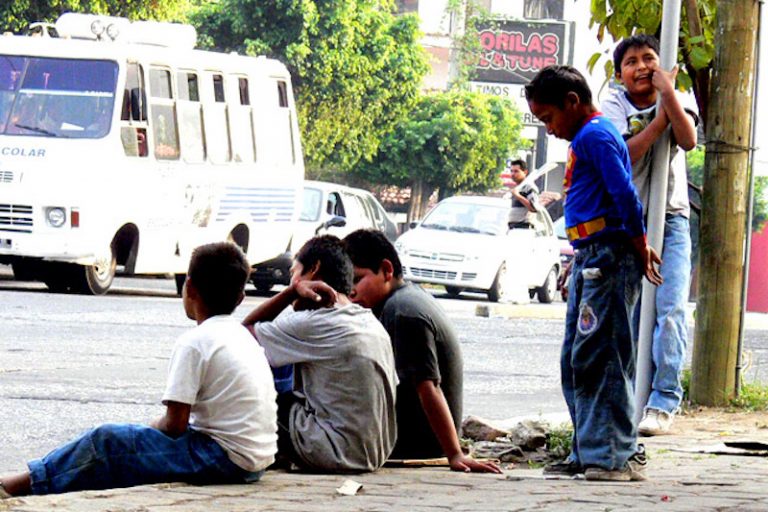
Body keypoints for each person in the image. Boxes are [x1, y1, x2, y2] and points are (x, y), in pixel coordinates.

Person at [0, 242, 277, 498]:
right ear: (241, 297)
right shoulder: (242, 336)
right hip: (255, 460)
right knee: (127, 448)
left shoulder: (195, 342)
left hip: (222, 459)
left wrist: (147, 428)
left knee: (107, 441)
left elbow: (174, 425)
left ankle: (24, 483)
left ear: (189, 287)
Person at [525, 65, 662, 481]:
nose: (549, 130)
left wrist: (639, 246)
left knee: (602, 357)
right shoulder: (587, 138)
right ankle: (589, 452)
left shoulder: (596, 136)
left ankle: (611, 457)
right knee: (577, 357)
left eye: (549, 119)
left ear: (572, 102)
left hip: (609, 256)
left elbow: (624, 194)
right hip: (590, 256)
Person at [601, 34, 698, 437]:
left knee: (671, 310)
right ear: (620, 72)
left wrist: (668, 96)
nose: (641, 67)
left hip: (671, 219)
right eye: (632, 61)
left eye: (649, 59)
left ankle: (663, 400)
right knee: (628, 317)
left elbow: (689, 139)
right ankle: (629, 400)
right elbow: (626, 153)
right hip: (628, 221)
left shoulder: (677, 95)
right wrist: (659, 119)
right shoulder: (613, 103)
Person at [343, 229, 501, 474]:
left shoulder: (403, 311)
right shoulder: (405, 297)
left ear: (387, 270)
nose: (351, 291)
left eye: (357, 279)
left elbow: (427, 386)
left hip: (416, 443)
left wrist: (454, 454)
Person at [242, 235, 397, 473]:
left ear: (313, 270)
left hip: (335, 453)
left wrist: (291, 293)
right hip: (375, 453)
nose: (291, 280)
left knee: (256, 394)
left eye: (294, 273)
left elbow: (240, 338)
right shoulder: (370, 321)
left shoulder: (315, 323)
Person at [507, 159, 540, 227]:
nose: (513, 174)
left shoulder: (529, 187)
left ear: (525, 172)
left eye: (516, 171)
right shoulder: (517, 188)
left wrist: (518, 196)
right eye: (511, 171)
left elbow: (533, 208)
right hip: (513, 227)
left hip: (524, 227)